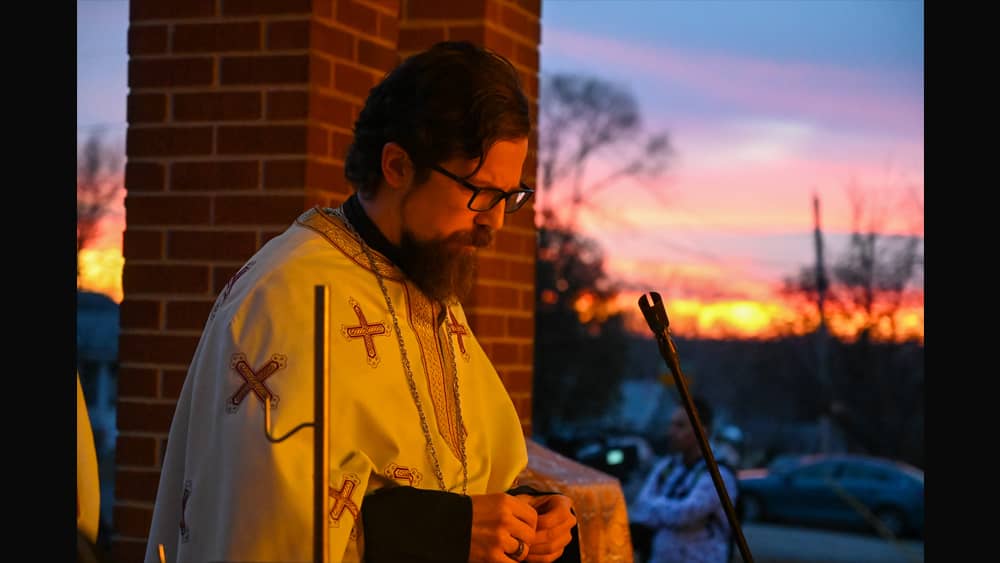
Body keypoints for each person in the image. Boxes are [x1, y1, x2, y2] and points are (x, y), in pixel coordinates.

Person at [144, 41, 579, 563]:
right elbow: (260, 524)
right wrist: (446, 531)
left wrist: (527, 518)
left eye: (511, 196)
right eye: (481, 192)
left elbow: (465, 478)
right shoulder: (290, 296)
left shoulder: (425, 284)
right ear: (396, 164)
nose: (495, 221)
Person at [629, 397, 739, 563]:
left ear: (703, 431)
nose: (671, 431)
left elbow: (686, 513)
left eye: (680, 426)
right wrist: (668, 510)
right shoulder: (666, 466)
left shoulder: (719, 474)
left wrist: (656, 507)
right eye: (671, 424)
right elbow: (640, 507)